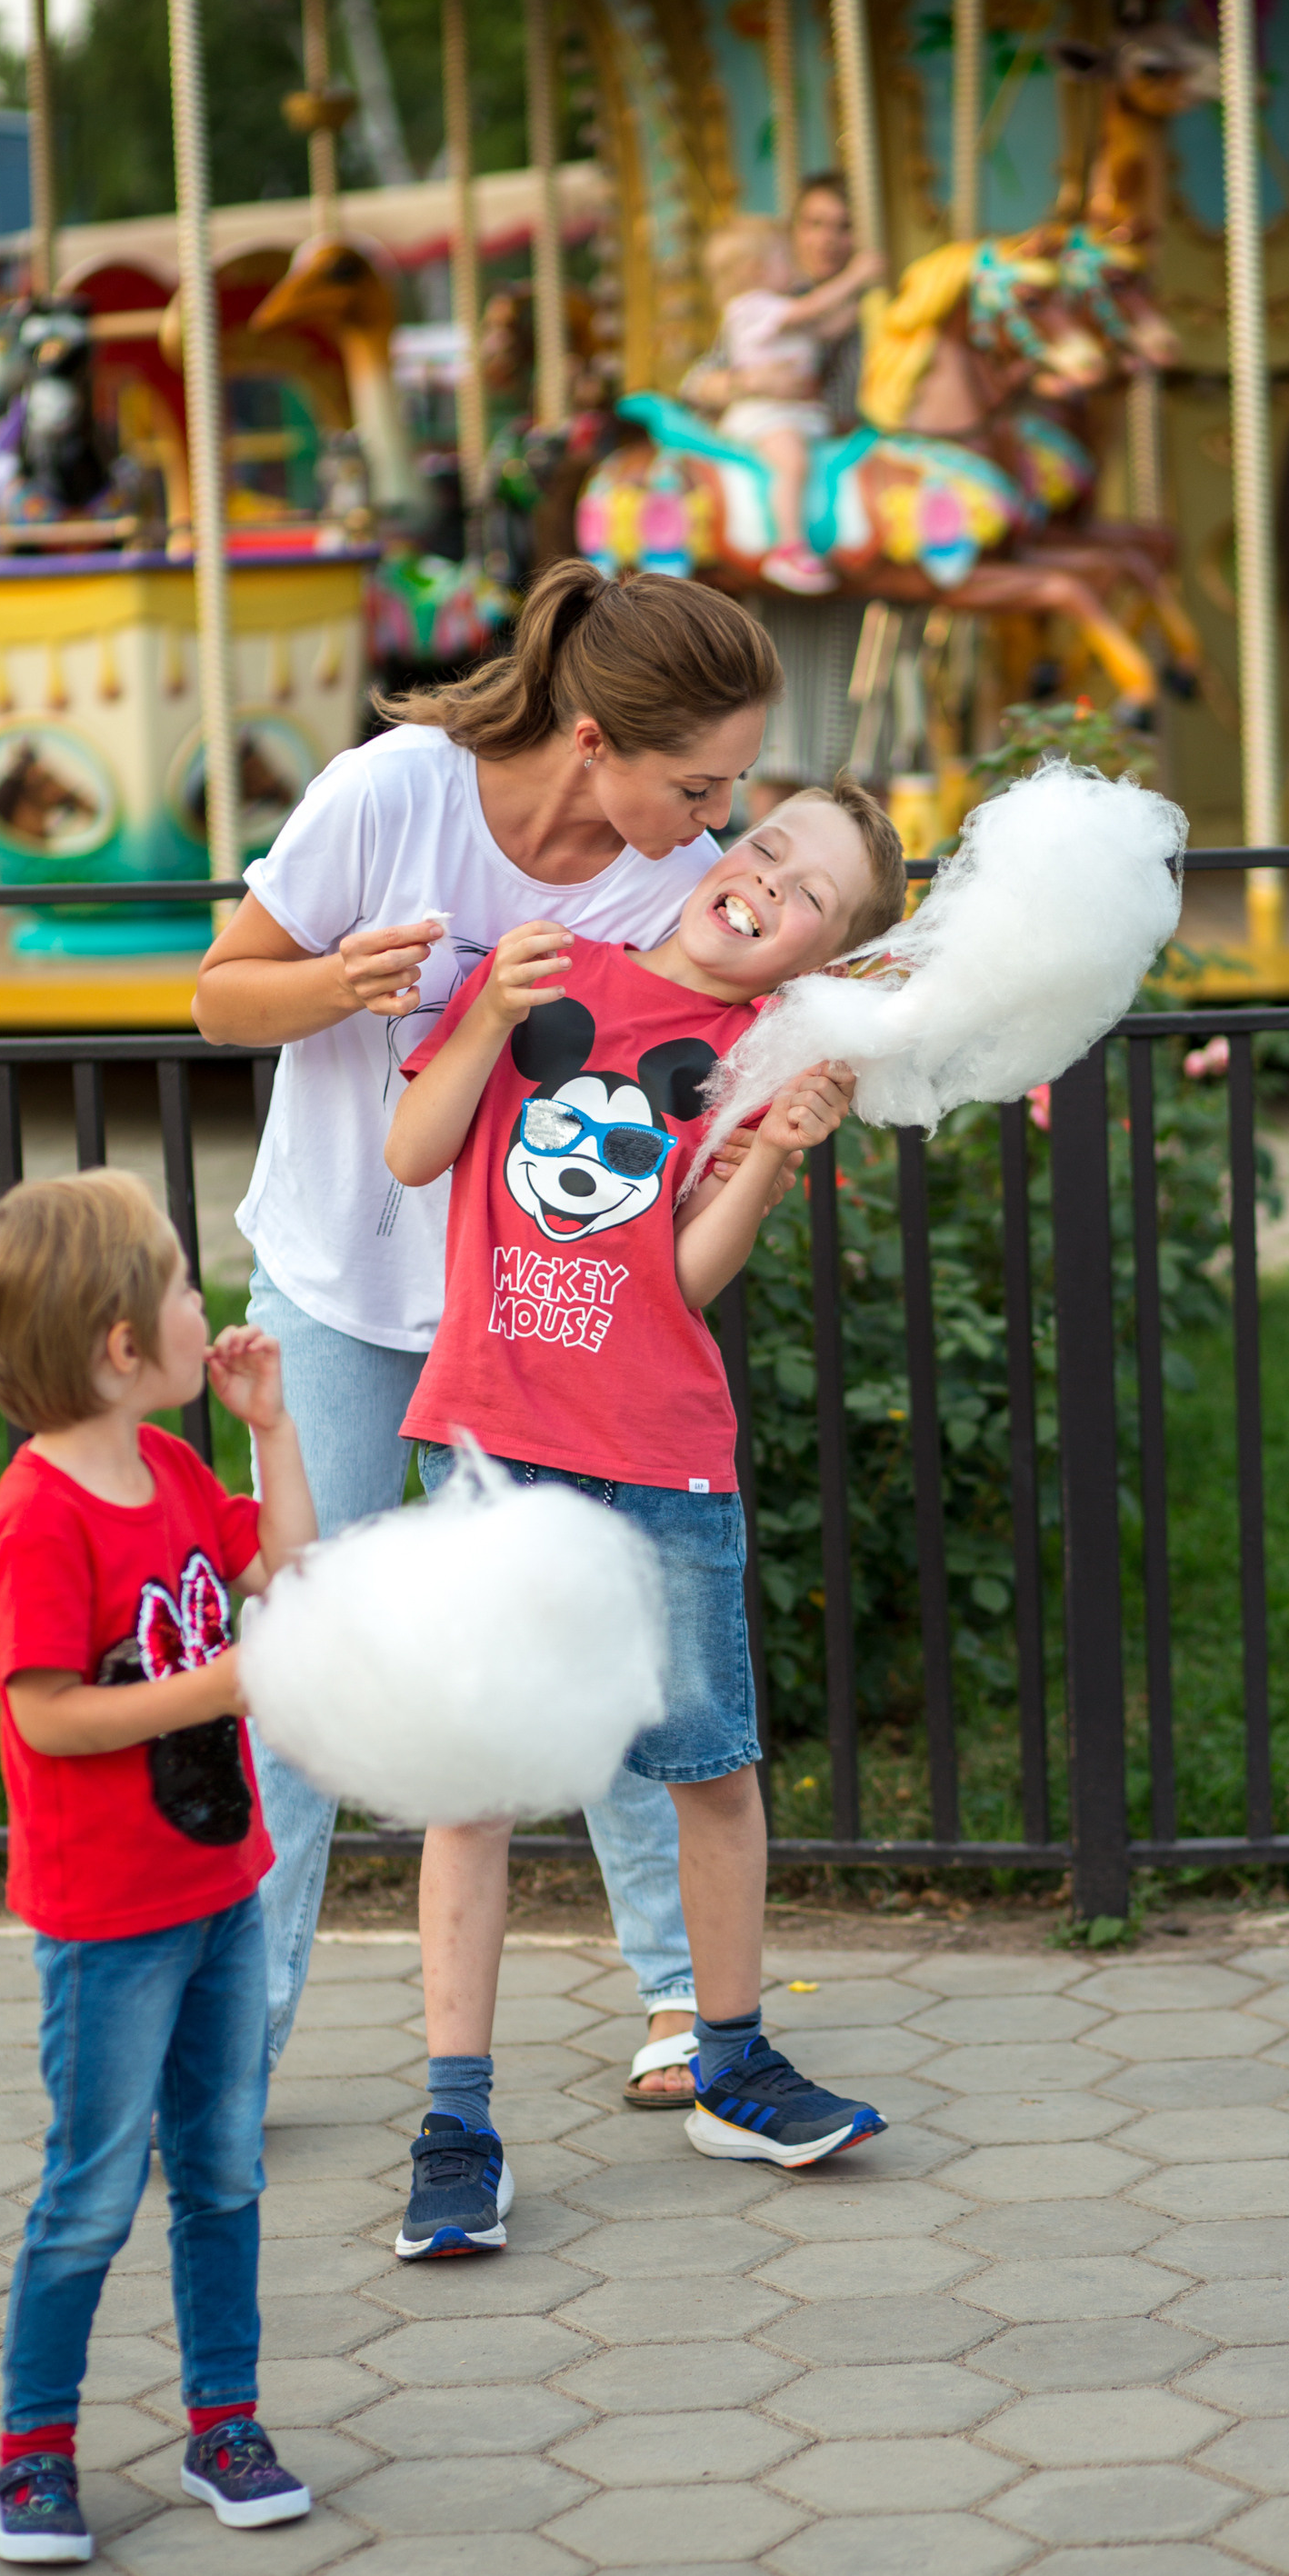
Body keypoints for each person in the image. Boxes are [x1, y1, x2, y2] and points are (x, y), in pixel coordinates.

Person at [191, 562, 783, 2113]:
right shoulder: (394, 796)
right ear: (594, 738)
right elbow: (219, 998)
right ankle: (234, 2048)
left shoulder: (675, 881)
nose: (716, 814)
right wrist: (342, 981)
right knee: (306, 1643)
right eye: (696, 779)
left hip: (548, 1328)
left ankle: (677, 1999)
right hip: (337, 1281)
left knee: (594, 1631)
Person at [380, 778, 908, 2257]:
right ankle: (456, 2120)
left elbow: (682, 1283)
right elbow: (413, 1154)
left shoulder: (757, 1059)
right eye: (767, 847)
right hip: (496, 1447)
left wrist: (781, 1150)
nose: (767, 881)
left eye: (810, 894)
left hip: (665, 1452)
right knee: (473, 1792)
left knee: (712, 1770)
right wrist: (490, 1010)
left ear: (815, 955)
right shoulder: (553, 969)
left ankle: (730, 2065)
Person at [0, 1171, 317, 2565]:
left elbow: (284, 1567)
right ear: (116, 1343)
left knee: (221, 2169)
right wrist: (216, 1688)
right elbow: (45, 1713)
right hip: (108, 1923)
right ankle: (33, 2454)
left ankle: (226, 2421)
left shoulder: (169, 1471)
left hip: (223, 1889)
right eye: (176, 1284)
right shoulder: (39, 1521)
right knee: (93, 2188)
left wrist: (270, 1434)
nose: (196, 1306)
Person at [704, 214, 885, 598]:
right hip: (768, 416)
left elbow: (825, 328)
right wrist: (856, 276)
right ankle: (786, 549)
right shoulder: (751, 307)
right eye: (784, 260)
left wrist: (868, 303)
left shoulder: (780, 309)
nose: (793, 267)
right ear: (756, 270)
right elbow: (813, 310)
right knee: (792, 462)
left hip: (800, 415)